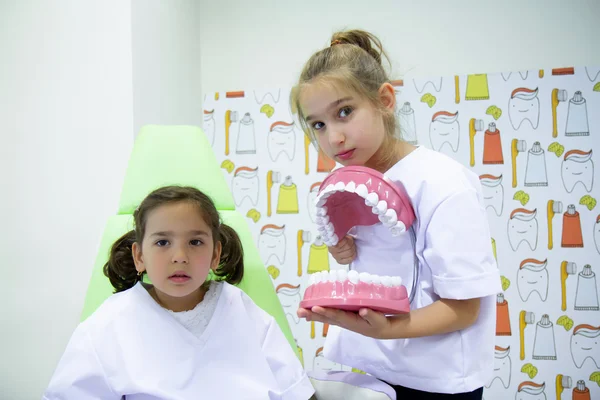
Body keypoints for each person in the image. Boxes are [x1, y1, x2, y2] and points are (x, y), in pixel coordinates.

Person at [292, 30, 501, 400]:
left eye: (345, 112)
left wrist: (386, 330)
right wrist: (345, 250)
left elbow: (466, 308)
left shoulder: (442, 182)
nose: (333, 137)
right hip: (374, 369)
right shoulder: (348, 180)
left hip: (436, 378)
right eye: (319, 124)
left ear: (384, 100)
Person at [43, 186, 315, 400]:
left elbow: (296, 390)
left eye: (195, 242)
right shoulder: (110, 322)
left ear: (215, 254)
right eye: (162, 242)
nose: (180, 256)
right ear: (139, 257)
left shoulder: (241, 309)